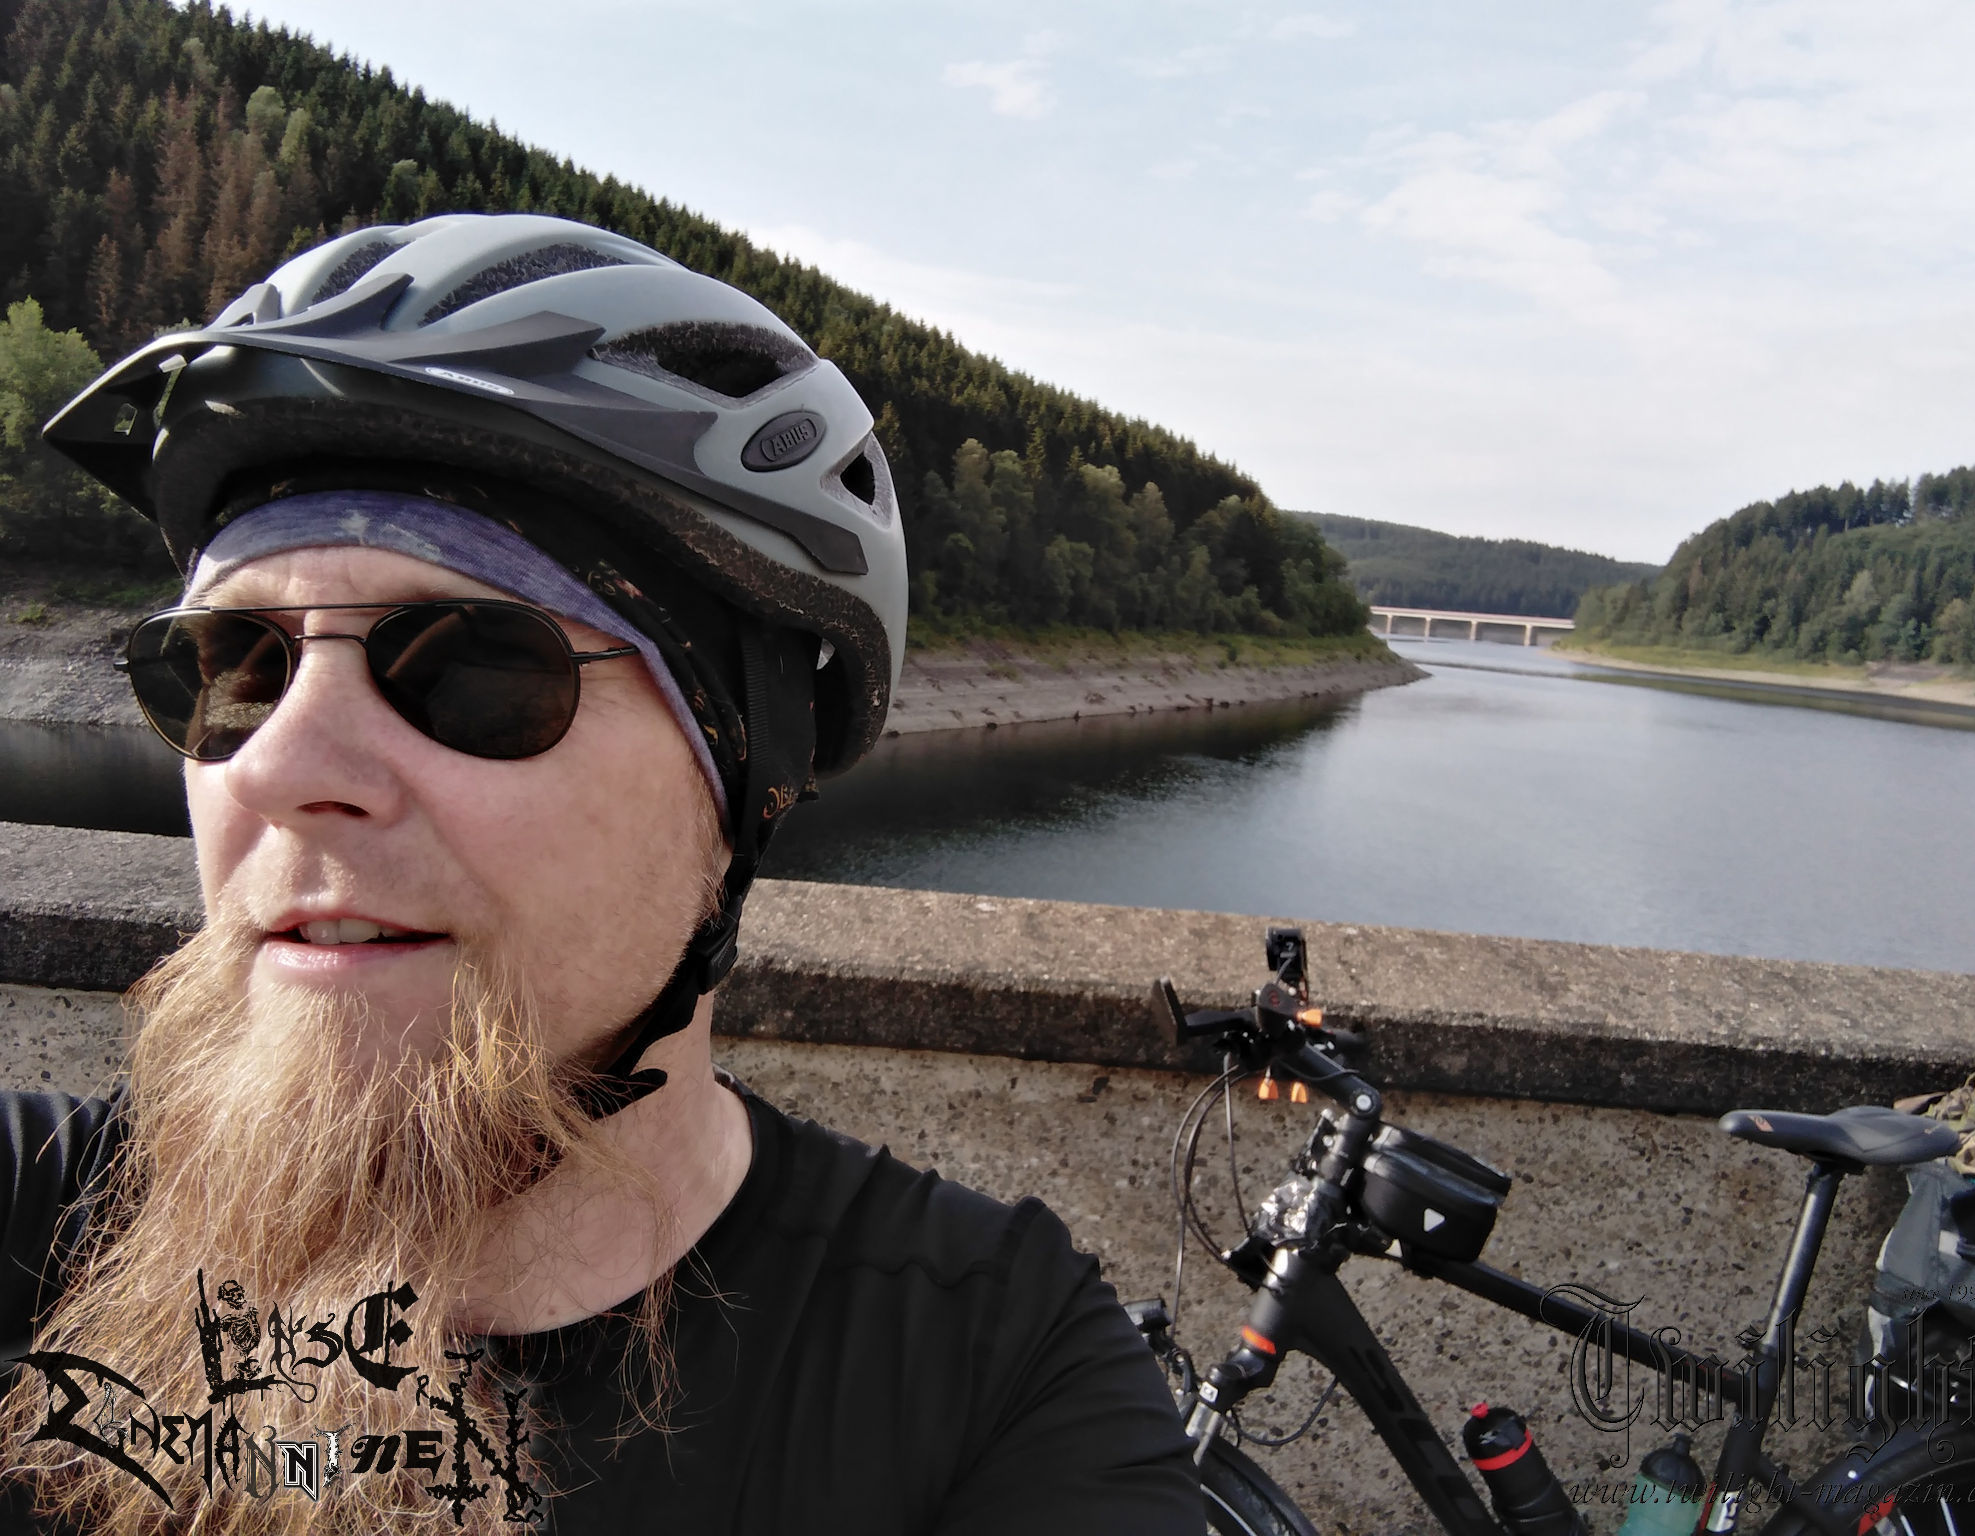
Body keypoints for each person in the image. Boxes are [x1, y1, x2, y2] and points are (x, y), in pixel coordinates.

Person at [0, 214, 1201, 1533]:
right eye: (231, 666)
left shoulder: (988, 1373)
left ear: (739, 784)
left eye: (473, 666)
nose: (276, 764)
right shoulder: (41, 1214)